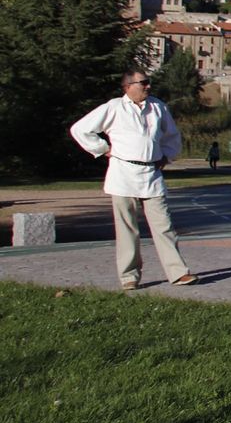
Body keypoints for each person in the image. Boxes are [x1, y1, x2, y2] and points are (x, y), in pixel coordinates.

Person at [70, 69, 198, 290]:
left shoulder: (158, 107)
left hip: (152, 174)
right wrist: (102, 149)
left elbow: (172, 135)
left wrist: (167, 155)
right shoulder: (114, 108)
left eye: (149, 83)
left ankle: (178, 272)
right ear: (128, 86)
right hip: (123, 174)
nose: (148, 86)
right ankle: (129, 276)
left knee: (164, 226)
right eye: (143, 83)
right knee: (127, 228)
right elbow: (80, 129)